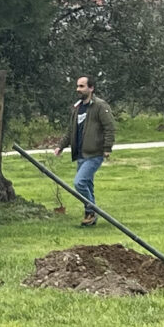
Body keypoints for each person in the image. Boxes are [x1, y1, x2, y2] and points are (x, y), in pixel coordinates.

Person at [58, 74, 115, 223]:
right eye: (77, 86)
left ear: (91, 88)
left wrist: (107, 147)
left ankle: (91, 211)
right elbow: (71, 130)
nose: (78, 89)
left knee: (79, 183)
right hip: (81, 154)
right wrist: (61, 146)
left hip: (94, 153)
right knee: (87, 185)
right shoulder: (77, 108)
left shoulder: (100, 106)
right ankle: (90, 217)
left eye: (82, 86)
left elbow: (109, 127)